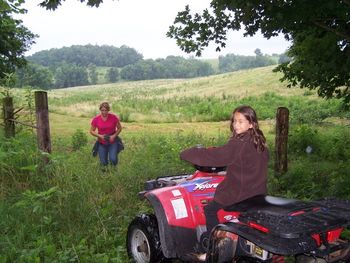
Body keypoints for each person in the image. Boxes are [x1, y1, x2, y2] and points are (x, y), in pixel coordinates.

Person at [180, 105, 269, 260]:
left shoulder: (239, 144)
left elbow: (213, 157)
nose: (236, 125)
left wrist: (188, 153)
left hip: (240, 194)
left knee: (210, 209)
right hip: (257, 192)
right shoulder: (260, 143)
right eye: (234, 121)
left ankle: (211, 249)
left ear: (251, 124)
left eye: (241, 121)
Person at [90, 102, 122, 167]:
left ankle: (113, 170)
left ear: (108, 110)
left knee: (113, 159)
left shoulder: (114, 118)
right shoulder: (96, 119)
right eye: (102, 110)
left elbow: (119, 128)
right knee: (103, 163)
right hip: (101, 142)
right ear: (100, 110)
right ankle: (106, 173)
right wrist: (100, 136)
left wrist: (114, 136)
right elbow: (91, 131)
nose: (104, 112)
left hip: (112, 141)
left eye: (106, 110)